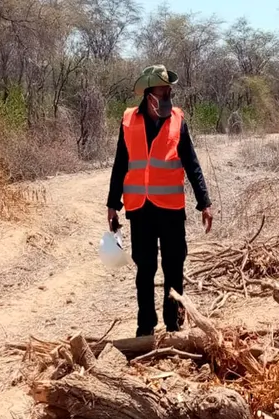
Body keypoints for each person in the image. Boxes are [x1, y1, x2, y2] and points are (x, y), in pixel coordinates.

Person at [106, 64, 213, 337]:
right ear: (149, 93)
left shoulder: (178, 119)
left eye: (169, 90)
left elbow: (192, 163)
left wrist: (204, 202)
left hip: (171, 209)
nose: (167, 94)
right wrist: (112, 204)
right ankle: (145, 328)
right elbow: (121, 164)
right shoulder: (129, 120)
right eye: (162, 90)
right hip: (140, 208)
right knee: (145, 269)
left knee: (174, 266)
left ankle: (174, 324)